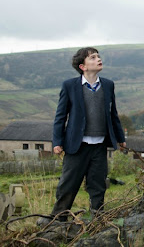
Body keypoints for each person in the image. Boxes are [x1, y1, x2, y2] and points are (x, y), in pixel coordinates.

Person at [40, 47, 126, 225]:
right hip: (76, 145)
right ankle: (58, 219)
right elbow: (60, 116)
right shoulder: (70, 86)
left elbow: (113, 114)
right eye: (93, 57)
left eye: (98, 56)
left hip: (100, 145)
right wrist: (57, 141)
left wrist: (120, 138)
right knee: (68, 184)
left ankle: (97, 218)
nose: (98, 59)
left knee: (98, 184)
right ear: (83, 66)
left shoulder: (108, 85)